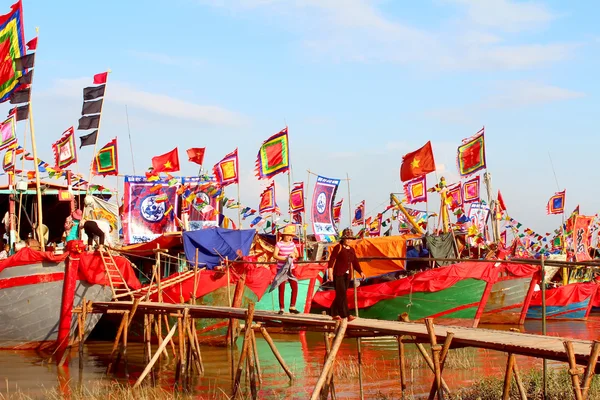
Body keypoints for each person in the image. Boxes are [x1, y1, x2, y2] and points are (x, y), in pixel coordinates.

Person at [327, 228, 366, 321]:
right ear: (343, 239)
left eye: (350, 238)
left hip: (347, 275)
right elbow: (332, 260)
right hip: (338, 274)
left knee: (342, 294)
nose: (348, 240)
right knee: (341, 294)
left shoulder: (351, 249)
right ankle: (346, 315)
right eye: (347, 238)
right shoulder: (338, 247)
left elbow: (355, 261)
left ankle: (333, 312)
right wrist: (330, 272)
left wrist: (361, 272)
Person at [272, 224, 300, 315]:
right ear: (283, 235)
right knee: (281, 288)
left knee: (295, 286)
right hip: (281, 269)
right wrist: (285, 258)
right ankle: (282, 308)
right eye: (287, 235)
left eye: (290, 235)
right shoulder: (279, 244)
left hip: (291, 269)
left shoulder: (292, 244)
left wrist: (293, 255)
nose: (288, 237)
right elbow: (275, 255)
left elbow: (297, 254)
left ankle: (292, 306)